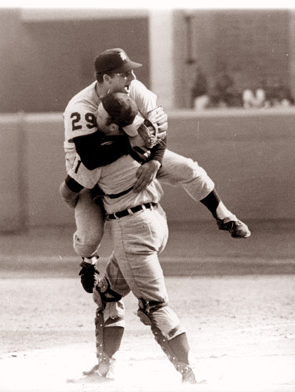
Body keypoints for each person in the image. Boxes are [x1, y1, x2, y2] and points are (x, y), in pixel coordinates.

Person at [61, 47, 251, 271]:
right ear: (106, 78)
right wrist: (132, 143)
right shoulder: (81, 106)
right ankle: (88, 260)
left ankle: (223, 215)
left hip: (132, 151)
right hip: (89, 165)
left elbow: (158, 128)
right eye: (124, 74)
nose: (131, 77)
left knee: (188, 169)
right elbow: (91, 157)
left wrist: (155, 161)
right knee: (89, 238)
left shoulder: (134, 88)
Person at [63, 91, 205, 384]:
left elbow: (68, 192)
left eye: (100, 116)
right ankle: (104, 368)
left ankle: (191, 376)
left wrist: (89, 203)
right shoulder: (142, 137)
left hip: (132, 229)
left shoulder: (94, 154)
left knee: (155, 306)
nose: (94, 118)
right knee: (107, 293)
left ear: (113, 125)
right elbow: (158, 141)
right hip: (156, 220)